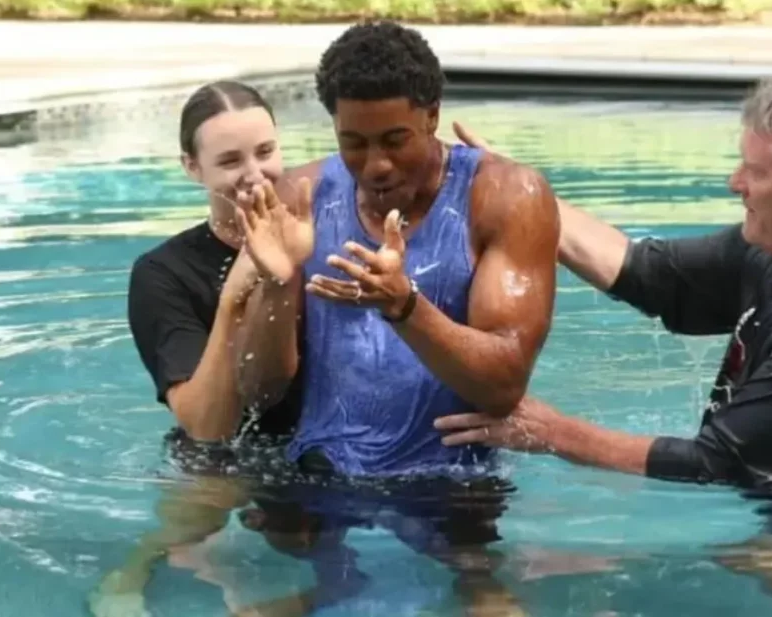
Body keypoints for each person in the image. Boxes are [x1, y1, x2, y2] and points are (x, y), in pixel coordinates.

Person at [437, 75, 772, 611]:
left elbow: (712, 464)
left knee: (675, 573)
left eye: (755, 171)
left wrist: (550, 431)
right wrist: (524, 197)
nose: (734, 182)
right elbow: (647, 273)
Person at [230, 19, 559, 617]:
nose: (375, 164)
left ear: (432, 115)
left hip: (452, 482)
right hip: (320, 471)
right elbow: (259, 393)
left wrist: (403, 306)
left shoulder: (505, 197)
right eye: (354, 142)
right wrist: (278, 284)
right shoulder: (302, 196)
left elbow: (504, 383)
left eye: (395, 139)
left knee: (487, 598)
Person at [89, 80, 308, 617]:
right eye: (230, 160)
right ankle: (137, 567)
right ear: (193, 168)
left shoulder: (316, 234)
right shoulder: (162, 274)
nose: (255, 175)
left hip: (319, 440)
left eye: (265, 152)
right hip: (222, 456)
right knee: (203, 513)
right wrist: (237, 291)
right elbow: (205, 427)